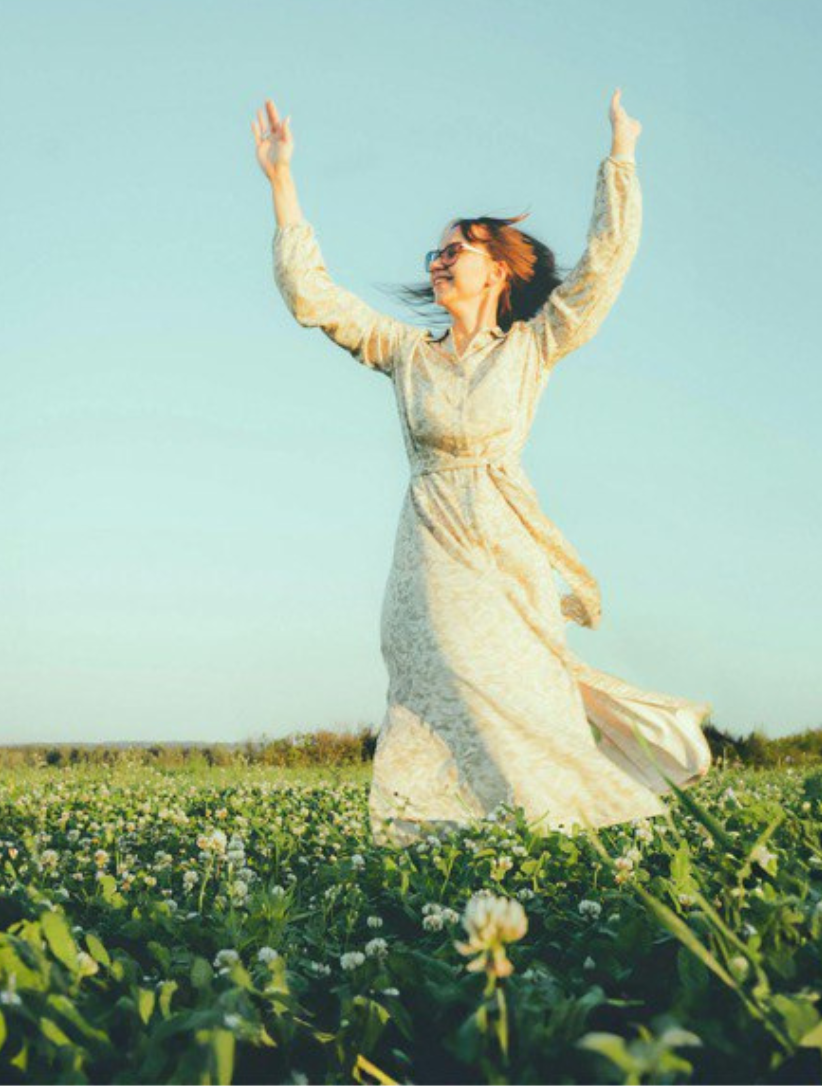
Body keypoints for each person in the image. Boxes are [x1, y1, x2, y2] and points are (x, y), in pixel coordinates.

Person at [254, 90, 713, 849]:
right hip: (430, 554)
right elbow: (313, 298)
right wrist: (281, 181)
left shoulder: (533, 346)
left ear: (498, 271)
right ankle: (434, 846)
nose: (438, 260)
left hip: (506, 544)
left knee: (528, 694)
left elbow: (603, 268)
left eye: (455, 249)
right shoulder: (406, 353)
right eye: (434, 252)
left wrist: (621, 157)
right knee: (441, 693)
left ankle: (564, 838)